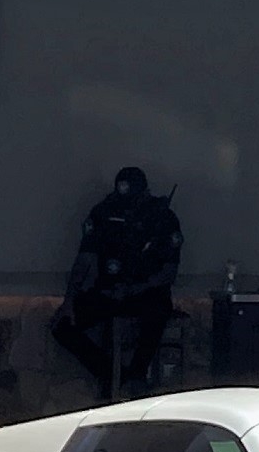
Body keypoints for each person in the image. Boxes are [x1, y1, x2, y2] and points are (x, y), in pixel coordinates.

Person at [51, 167, 182, 400]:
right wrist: (69, 301)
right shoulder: (104, 212)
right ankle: (112, 374)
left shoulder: (161, 217)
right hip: (109, 291)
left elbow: (168, 271)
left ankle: (137, 375)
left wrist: (135, 288)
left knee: (158, 312)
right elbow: (84, 259)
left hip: (145, 292)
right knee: (62, 325)